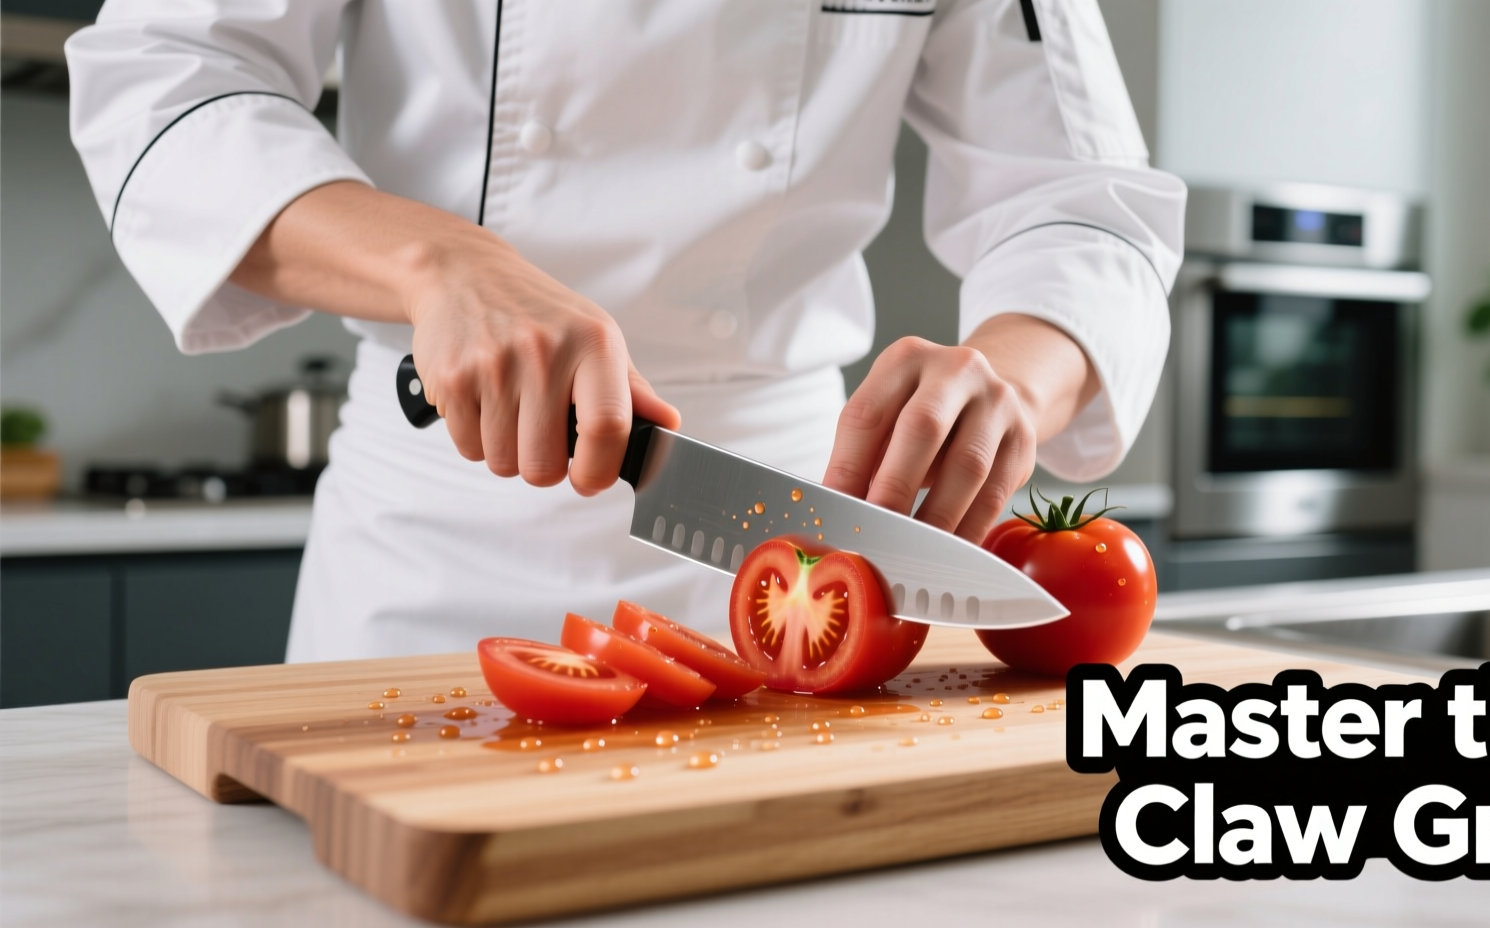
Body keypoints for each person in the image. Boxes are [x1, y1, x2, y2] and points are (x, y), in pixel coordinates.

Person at [67, 0, 1184, 661]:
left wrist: (1010, 380)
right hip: (432, 535)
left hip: (788, 554)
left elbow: (1080, 198)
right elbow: (161, 82)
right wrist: (437, 261)